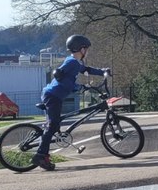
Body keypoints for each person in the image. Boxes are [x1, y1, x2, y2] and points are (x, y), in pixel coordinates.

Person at [35, 35, 110, 170]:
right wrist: (79, 87)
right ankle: (41, 155)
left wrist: (102, 71)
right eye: (86, 49)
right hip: (52, 95)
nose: (88, 52)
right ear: (81, 49)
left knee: (53, 126)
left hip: (54, 95)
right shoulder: (72, 63)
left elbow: (86, 70)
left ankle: (43, 152)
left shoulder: (75, 62)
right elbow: (59, 76)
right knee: (52, 126)